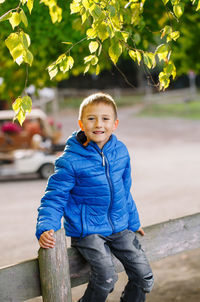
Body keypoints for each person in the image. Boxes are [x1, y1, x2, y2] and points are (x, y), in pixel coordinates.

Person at [36, 92, 154, 302]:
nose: (98, 124)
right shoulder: (69, 161)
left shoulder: (121, 152)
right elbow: (54, 197)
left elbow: (125, 191)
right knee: (107, 278)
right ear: (81, 123)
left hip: (120, 227)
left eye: (105, 119)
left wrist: (134, 222)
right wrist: (46, 226)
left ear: (115, 124)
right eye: (91, 118)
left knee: (144, 276)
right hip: (88, 231)